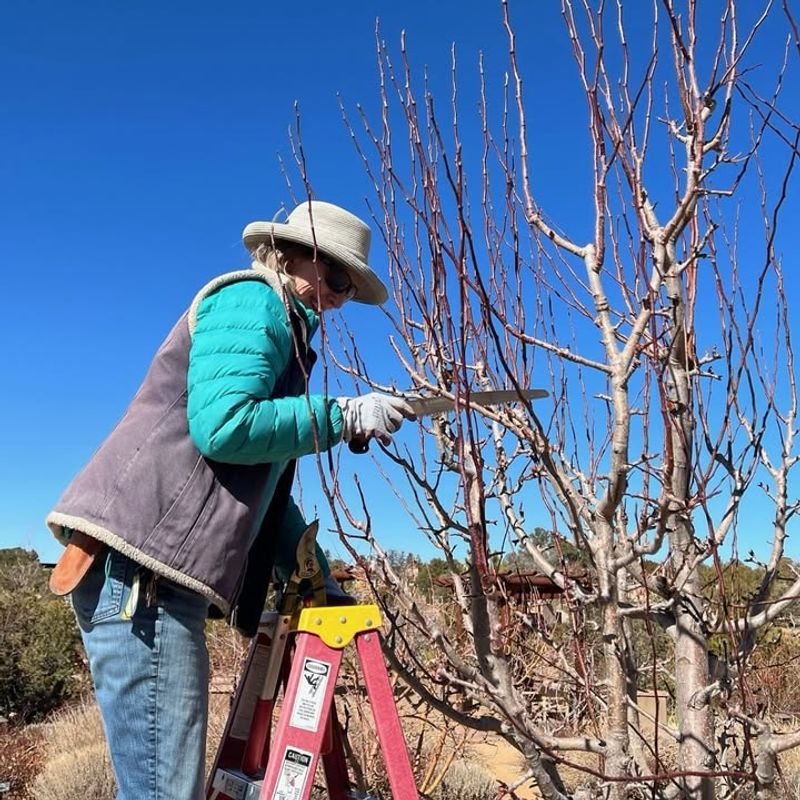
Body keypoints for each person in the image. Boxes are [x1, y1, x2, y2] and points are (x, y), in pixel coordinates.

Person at [45, 199, 415, 800]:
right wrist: (341, 416)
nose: (341, 298)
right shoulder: (254, 300)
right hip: (143, 577)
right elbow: (224, 423)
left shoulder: (286, 336)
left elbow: (267, 500)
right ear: (295, 255)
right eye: (338, 278)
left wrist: (316, 577)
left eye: (350, 288)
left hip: (153, 577)